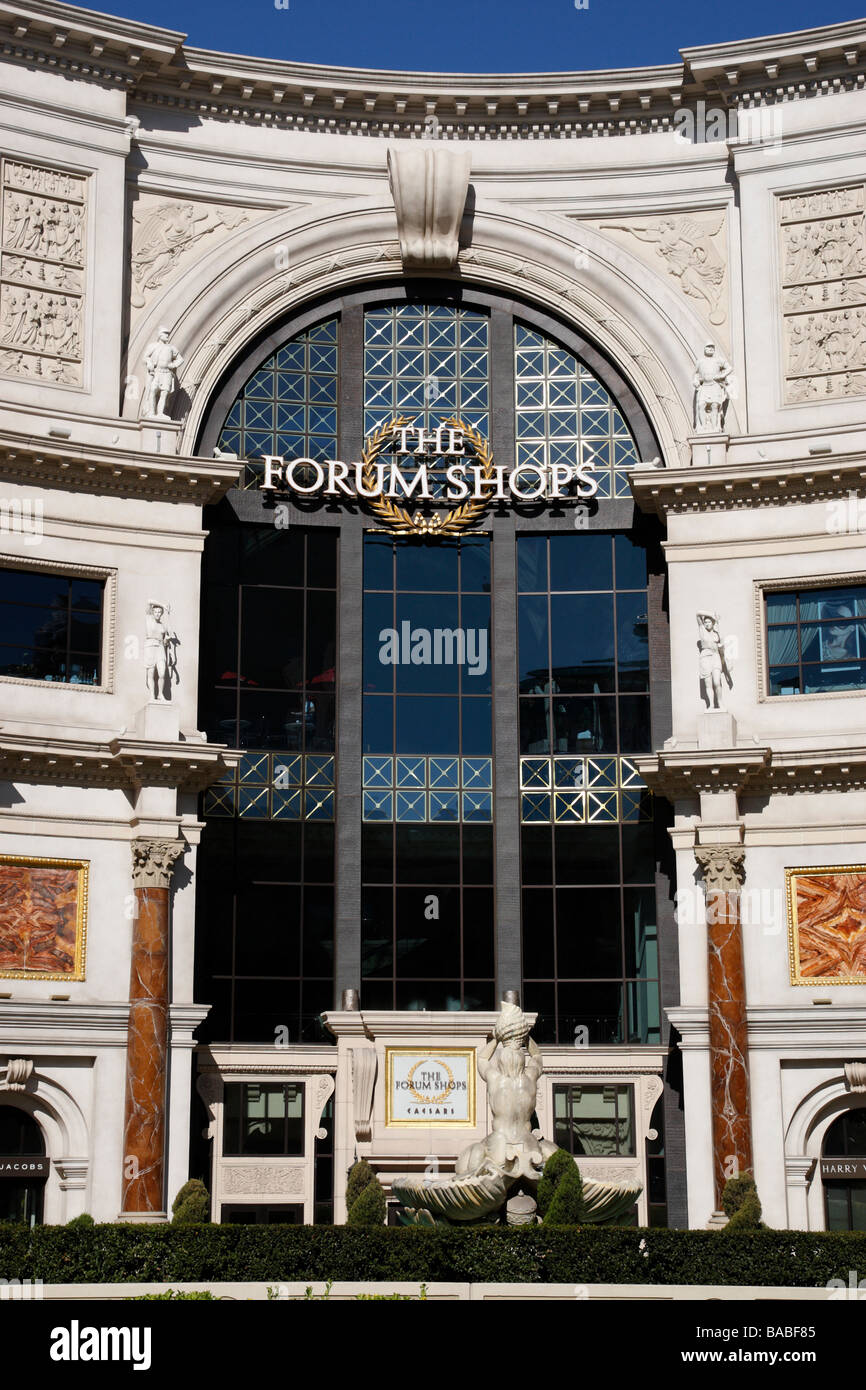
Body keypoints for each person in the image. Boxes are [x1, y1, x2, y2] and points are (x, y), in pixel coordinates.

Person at [142, 328, 183, 418]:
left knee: (164, 394)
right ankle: (152, 412)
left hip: (166, 373)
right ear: (160, 335)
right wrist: (149, 362)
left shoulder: (171, 348)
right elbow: (145, 357)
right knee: (152, 391)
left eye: (168, 334)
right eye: (165, 334)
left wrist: (173, 365)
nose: (167, 336)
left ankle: (160, 413)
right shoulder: (153, 346)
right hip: (156, 373)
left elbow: (180, 359)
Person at [697, 610, 731, 710]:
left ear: (713, 623)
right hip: (705, 657)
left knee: (716, 682)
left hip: (715, 656)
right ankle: (711, 704)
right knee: (708, 684)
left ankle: (720, 703)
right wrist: (711, 615)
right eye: (706, 622)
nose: (707, 624)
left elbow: (722, 647)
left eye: (709, 622)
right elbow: (697, 613)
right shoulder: (702, 630)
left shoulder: (717, 633)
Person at [144, 601, 177, 701]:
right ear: (153, 612)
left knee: (162, 673)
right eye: (156, 612)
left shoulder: (162, 625)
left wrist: (166, 640)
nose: (157, 614)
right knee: (151, 672)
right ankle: (152, 695)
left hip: (160, 647)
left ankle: (160, 694)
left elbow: (166, 642)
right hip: (150, 646)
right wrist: (163, 605)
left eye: (159, 612)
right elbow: (149, 601)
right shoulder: (149, 618)